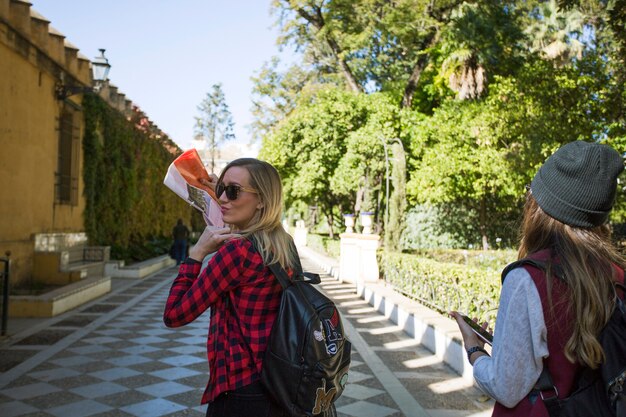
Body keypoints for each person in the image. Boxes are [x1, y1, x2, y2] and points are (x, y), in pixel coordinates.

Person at [451, 140, 625, 416]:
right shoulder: (616, 275)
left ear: (542, 206)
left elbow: (506, 387)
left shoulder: (528, 278)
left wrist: (475, 351)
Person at [163, 158, 333, 417]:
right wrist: (226, 191)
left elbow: (174, 315)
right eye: (220, 189)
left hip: (240, 392)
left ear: (262, 199)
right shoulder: (282, 243)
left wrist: (196, 254)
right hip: (279, 382)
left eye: (233, 191)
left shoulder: (236, 252)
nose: (222, 198)